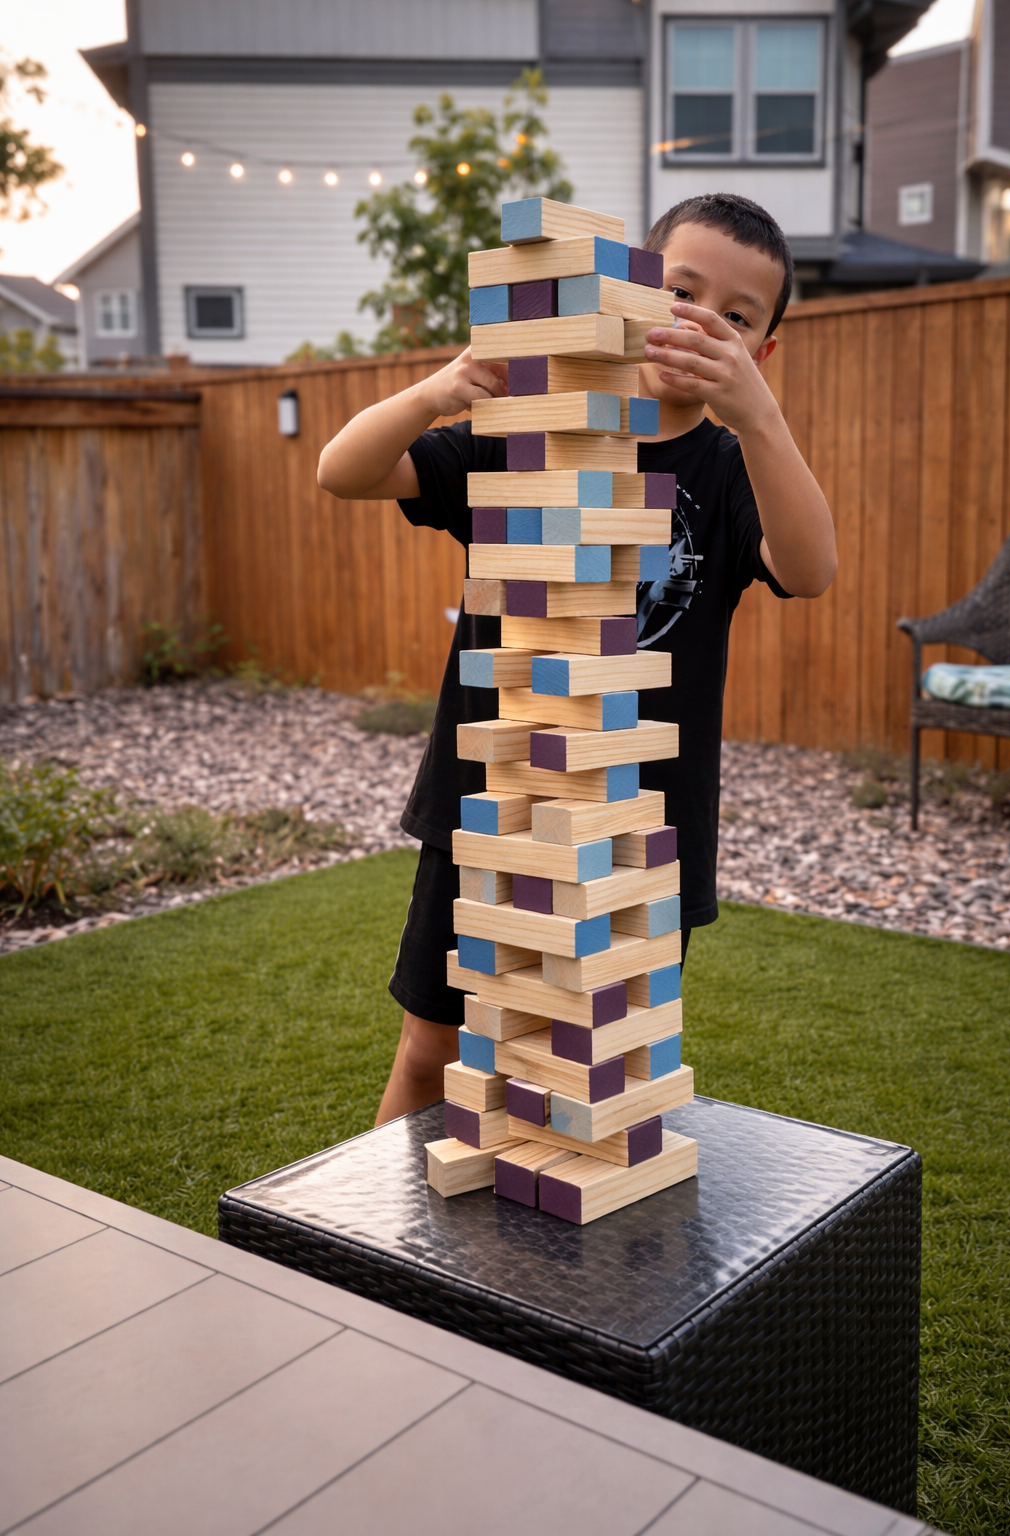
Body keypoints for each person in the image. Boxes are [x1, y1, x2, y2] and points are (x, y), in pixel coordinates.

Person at [318, 192, 838, 1126]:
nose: (700, 320)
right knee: (436, 1046)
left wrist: (759, 419)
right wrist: (439, 391)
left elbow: (812, 568)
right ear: (631, 290)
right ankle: (375, 1262)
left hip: (642, 832)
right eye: (682, 288)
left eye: (735, 316)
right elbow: (343, 471)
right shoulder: (530, 432)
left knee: (596, 1068)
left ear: (760, 353)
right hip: (491, 799)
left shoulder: (728, 472)